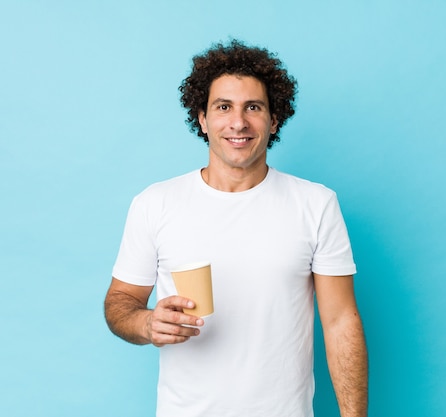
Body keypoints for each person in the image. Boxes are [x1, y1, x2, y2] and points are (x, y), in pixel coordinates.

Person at [104, 39, 368, 417]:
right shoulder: (155, 203)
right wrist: (147, 323)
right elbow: (120, 303)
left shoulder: (315, 204)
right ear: (202, 118)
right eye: (223, 106)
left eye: (254, 107)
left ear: (274, 119)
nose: (238, 122)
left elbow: (341, 321)